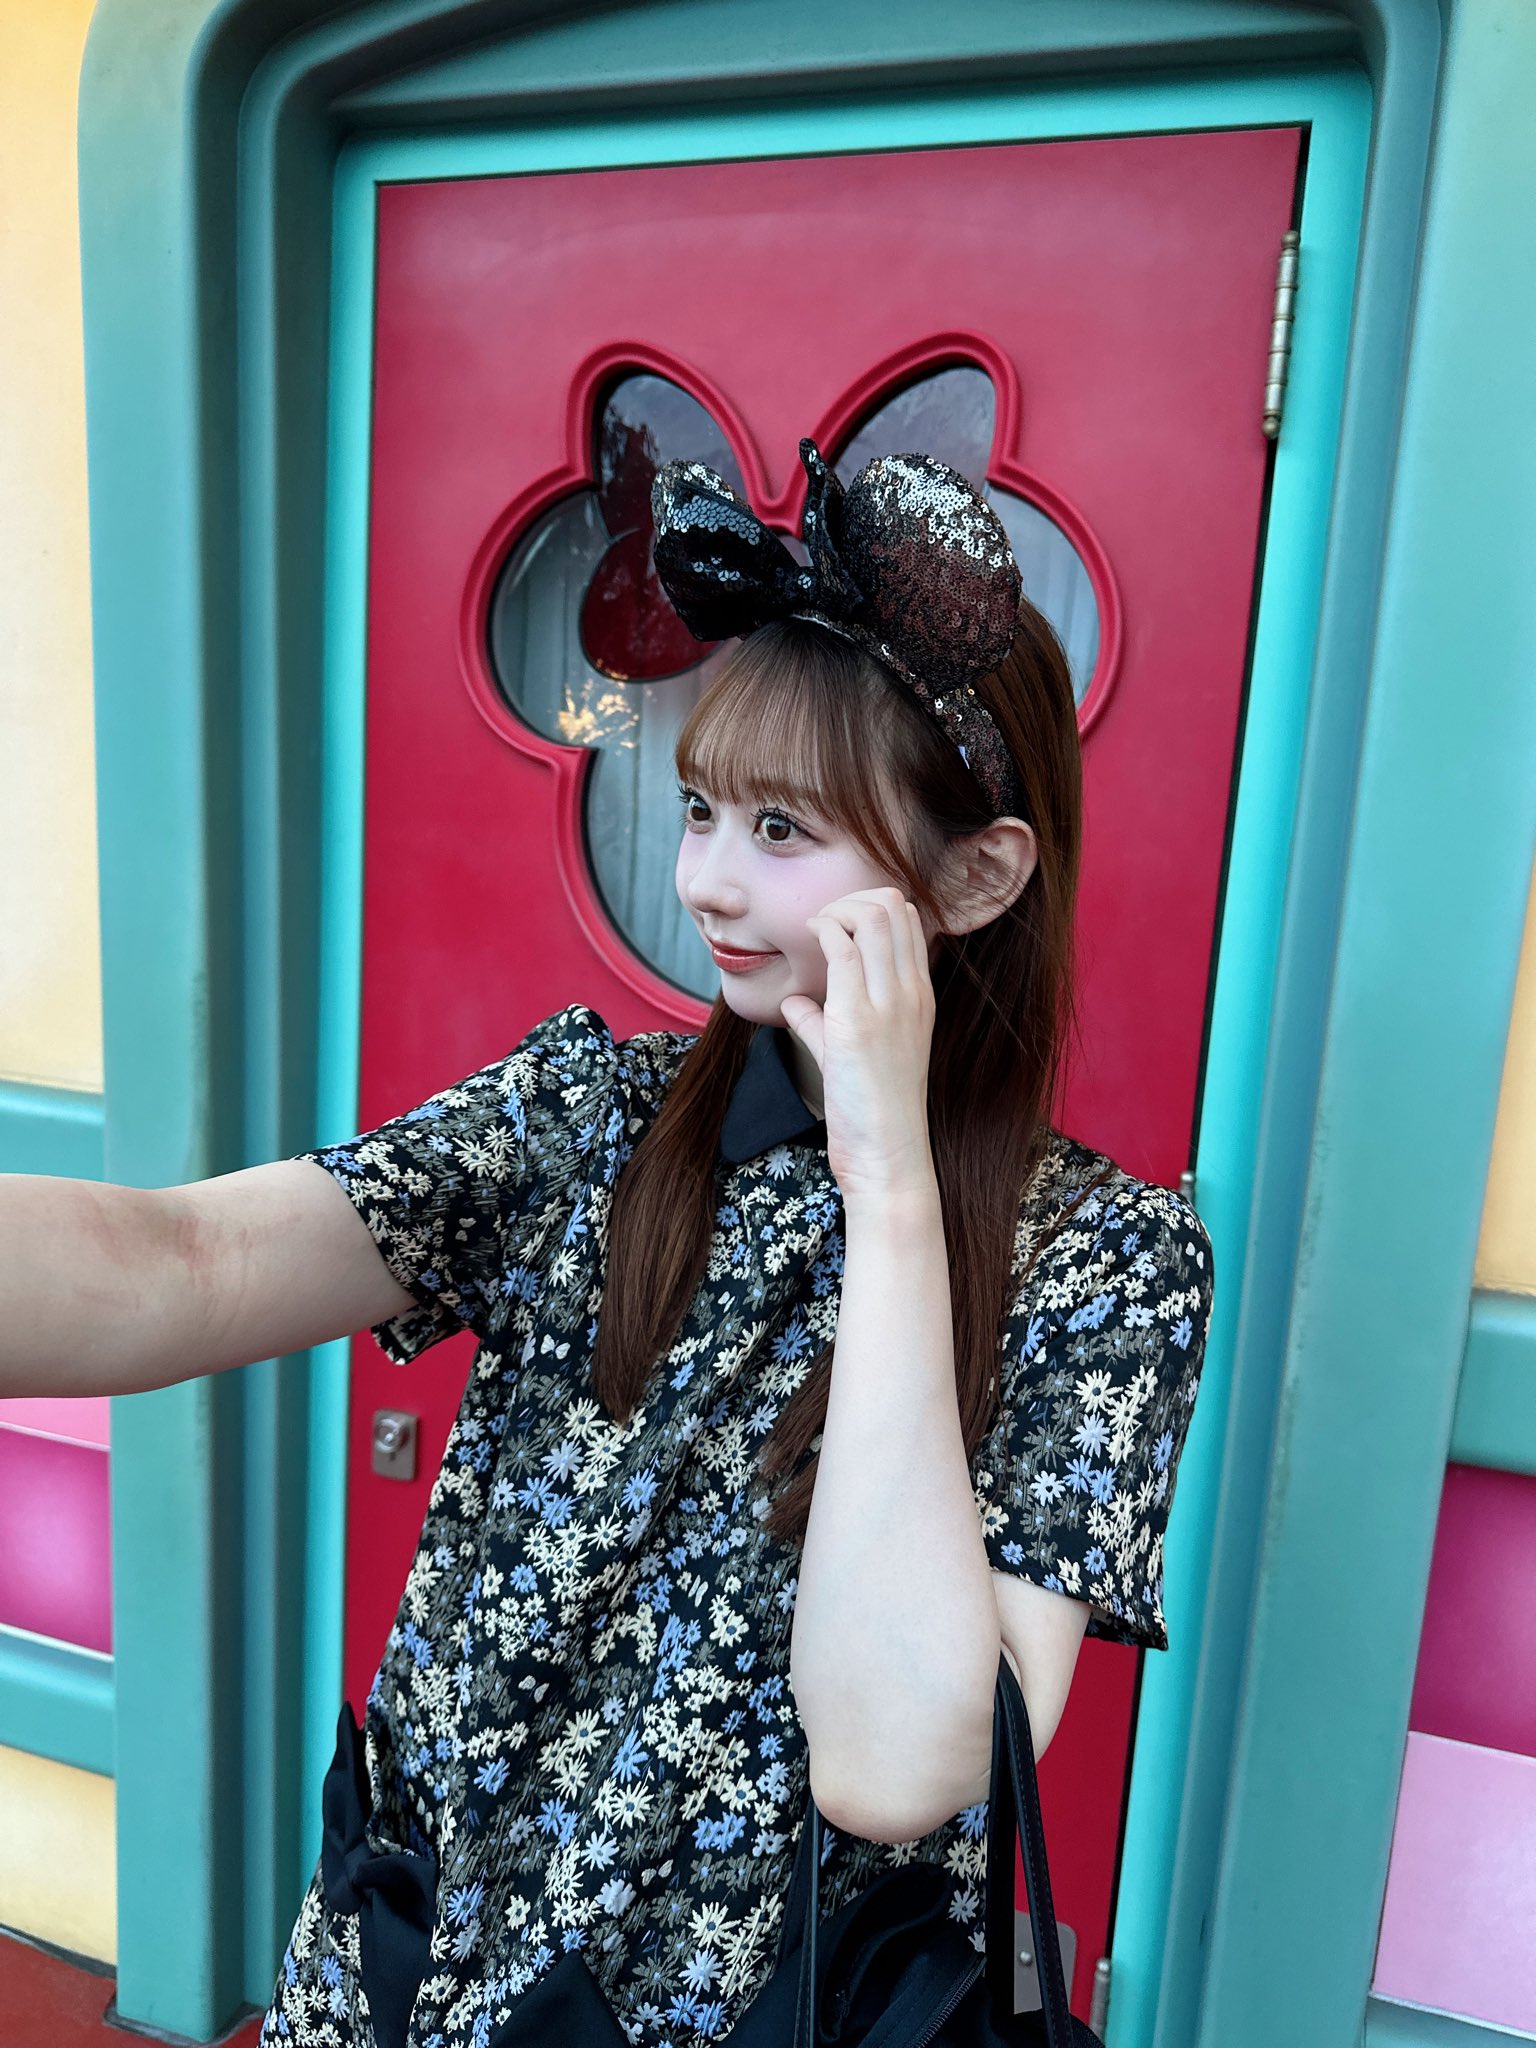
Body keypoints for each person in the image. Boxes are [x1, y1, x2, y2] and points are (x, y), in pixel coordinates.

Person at [0, 439, 1214, 2048]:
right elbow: (183, 1265)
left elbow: (893, 1768)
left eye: (783, 831)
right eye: (702, 809)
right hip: (405, 1983)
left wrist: (891, 1194)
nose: (704, 880)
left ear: (977, 875)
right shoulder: (589, 1116)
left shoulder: (1109, 1268)